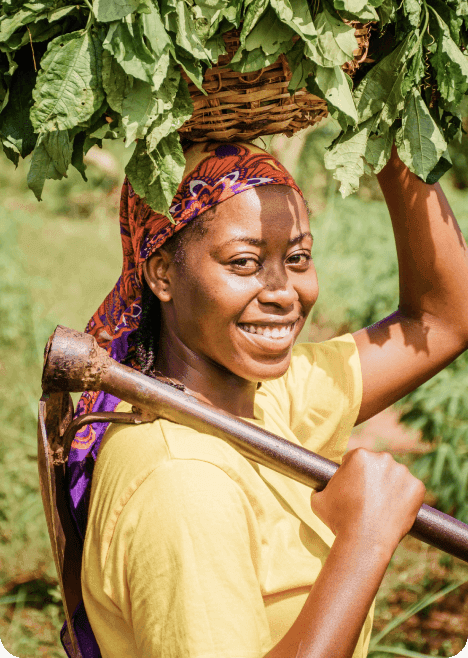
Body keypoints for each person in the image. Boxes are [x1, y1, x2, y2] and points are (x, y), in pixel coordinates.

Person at [64, 139, 468, 658]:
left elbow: (441, 321)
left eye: (298, 257)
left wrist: (392, 130)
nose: (283, 291)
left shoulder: (261, 399)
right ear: (162, 273)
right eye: (244, 262)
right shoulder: (183, 482)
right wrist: (364, 543)